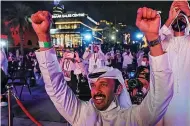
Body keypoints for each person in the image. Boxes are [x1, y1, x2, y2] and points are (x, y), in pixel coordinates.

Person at [31, 8, 173, 125]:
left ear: (118, 88)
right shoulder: (81, 114)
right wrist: (43, 38)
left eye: (103, 84)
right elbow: (56, 88)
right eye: (93, 85)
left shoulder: (133, 118)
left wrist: (153, 38)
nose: (96, 90)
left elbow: (161, 96)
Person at [157, 1, 190, 126]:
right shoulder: (164, 42)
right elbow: (154, 39)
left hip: (187, 94)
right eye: (176, 18)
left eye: (182, 18)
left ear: (188, 24)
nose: (179, 20)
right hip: (167, 93)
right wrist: (170, 18)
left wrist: (188, 12)